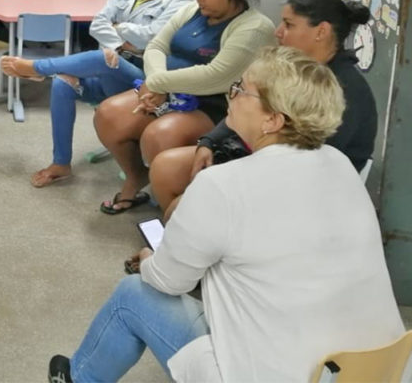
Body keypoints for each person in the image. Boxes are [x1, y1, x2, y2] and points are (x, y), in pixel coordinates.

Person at [48, 47, 404, 382]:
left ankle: (78, 377)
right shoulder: (340, 165)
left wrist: (149, 261)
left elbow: (170, 281)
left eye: (242, 89)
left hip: (283, 372)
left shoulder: (222, 184)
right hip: (374, 368)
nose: (231, 95)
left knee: (133, 294)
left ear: (272, 120)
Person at [150, 0, 376, 221]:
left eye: (288, 25)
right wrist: (209, 142)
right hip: (262, 156)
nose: (278, 32)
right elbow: (245, 104)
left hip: (303, 188)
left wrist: (231, 175)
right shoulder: (292, 68)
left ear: (321, 31)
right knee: (165, 169)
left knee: (185, 208)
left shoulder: (343, 92)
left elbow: (302, 165)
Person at [0, 0, 195, 188]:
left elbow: (152, 38)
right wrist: (119, 41)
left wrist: (119, 29)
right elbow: (98, 23)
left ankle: (38, 68)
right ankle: (61, 163)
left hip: (146, 80)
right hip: (116, 68)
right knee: (63, 84)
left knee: (103, 59)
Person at [93, 0, 275, 213]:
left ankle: (174, 204)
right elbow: (156, 45)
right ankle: (137, 177)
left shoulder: (254, 27)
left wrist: (157, 84)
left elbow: (216, 75)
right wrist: (158, 86)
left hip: (215, 104)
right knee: (109, 115)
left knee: (159, 135)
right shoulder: (192, 10)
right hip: (166, 91)